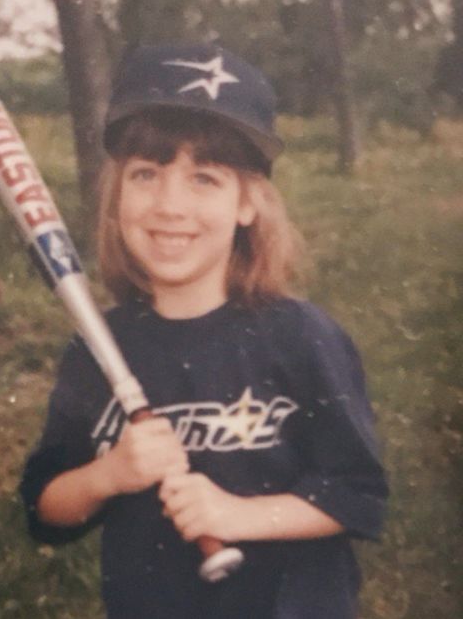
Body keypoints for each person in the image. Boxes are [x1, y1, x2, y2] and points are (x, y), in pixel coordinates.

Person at [19, 43, 388, 619]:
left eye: (204, 179)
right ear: (117, 197)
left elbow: (357, 495)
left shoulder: (300, 336)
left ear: (249, 205)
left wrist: (237, 516)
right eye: (146, 173)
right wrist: (109, 474)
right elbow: (46, 508)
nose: (170, 204)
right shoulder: (98, 347)